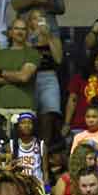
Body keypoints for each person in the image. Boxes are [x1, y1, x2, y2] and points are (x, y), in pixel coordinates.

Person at [0, 18, 39, 124]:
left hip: (24, 107)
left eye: (23, 29)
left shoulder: (32, 53)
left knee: (24, 141)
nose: (19, 32)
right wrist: (16, 78)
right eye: (16, 28)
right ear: (10, 32)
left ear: (27, 32)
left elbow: (24, 77)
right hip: (0, 107)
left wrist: (1, 73)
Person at [25, 10, 64, 140]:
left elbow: (58, 59)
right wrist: (35, 35)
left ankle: (45, 148)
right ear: (30, 22)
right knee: (32, 114)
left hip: (49, 77)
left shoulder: (54, 38)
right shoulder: (26, 38)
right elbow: (24, 53)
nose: (39, 21)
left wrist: (49, 37)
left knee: (49, 114)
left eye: (42, 18)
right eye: (35, 18)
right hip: (30, 78)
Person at [66, 49, 98, 134]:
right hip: (80, 126)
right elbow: (72, 100)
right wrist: (66, 124)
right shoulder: (80, 78)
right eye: (97, 60)